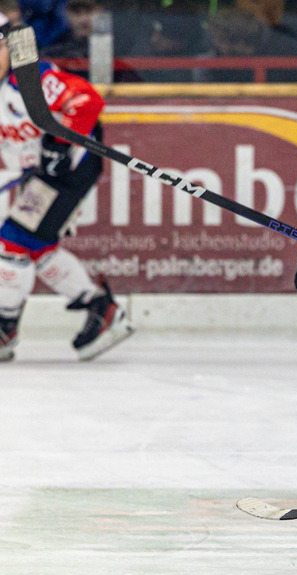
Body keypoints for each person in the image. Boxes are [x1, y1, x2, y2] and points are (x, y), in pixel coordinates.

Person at [0, 14, 133, 362]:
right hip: (41, 171)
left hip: (71, 167)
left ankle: (4, 327)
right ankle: (101, 308)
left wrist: (58, 145)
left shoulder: (29, 78)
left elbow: (86, 101)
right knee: (37, 246)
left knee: (12, 242)